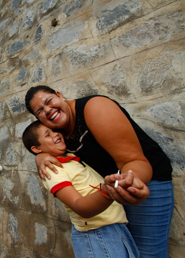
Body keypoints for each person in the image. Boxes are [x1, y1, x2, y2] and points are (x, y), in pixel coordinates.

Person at [24, 85, 174, 258]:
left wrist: (128, 184)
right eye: (40, 111)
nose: (48, 110)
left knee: (149, 253)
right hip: (111, 192)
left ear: (59, 95)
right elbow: (44, 144)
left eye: (49, 101)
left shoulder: (95, 109)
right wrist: (40, 157)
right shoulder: (57, 130)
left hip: (143, 181)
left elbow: (134, 161)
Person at [22, 120, 139, 258]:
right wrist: (107, 191)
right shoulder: (52, 171)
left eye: (54, 130)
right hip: (97, 234)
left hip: (113, 228)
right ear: (36, 149)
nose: (55, 134)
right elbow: (79, 206)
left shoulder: (70, 157)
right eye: (47, 134)